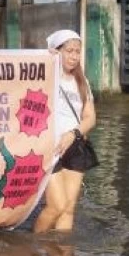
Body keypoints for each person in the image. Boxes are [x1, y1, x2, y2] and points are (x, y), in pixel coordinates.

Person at [34, 29, 97, 235]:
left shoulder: (82, 82)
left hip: (76, 145)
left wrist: (73, 134)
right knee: (56, 207)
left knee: (68, 209)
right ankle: (35, 245)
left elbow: (90, 118)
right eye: (69, 51)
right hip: (51, 148)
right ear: (56, 51)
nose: (74, 56)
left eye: (77, 51)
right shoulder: (43, 78)